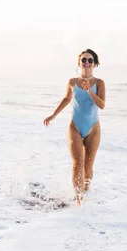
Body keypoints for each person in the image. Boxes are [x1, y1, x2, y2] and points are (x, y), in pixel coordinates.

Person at [43, 49, 106, 205]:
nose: (86, 63)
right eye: (84, 60)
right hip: (75, 127)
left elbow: (102, 105)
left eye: (90, 60)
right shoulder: (72, 82)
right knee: (77, 162)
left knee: (88, 165)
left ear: (95, 64)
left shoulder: (99, 83)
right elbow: (66, 98)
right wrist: (53, 115)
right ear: (79, 62)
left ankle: (85, 192)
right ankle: (79, 200)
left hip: (93, 129)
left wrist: (89, 91)